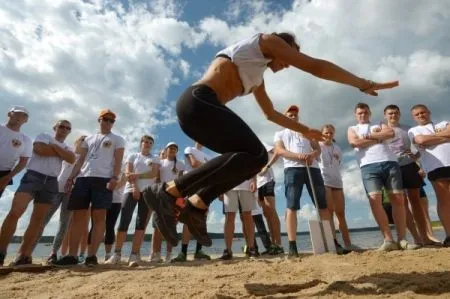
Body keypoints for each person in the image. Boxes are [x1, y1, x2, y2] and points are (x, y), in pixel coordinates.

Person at [143, 32, 398, 247]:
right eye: (290, 55)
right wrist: (361, 83)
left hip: (198, 114)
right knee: (257, 154)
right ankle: (169, 191)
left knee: (251, 161)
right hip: (198, 102)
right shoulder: (266, 41)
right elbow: (315, 67)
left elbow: (270, 113)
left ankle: (197, 205)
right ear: (283, 46)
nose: (288, 63)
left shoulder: (256, 75)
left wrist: (305, 129)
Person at [55, 109, 125, 266]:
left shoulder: (118, 139)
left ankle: (91, 256)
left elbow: (119, 160)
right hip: (83, 179)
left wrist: (115, 177)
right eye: (105, 119)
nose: (108, 122)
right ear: (99, 120)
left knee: (99, 218)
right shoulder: (89, 139)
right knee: (78, 218)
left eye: (111, 121)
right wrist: (71, 177)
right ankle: (72, 256)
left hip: (103, 180)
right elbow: (80, 161)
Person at [0, 120, 75, 266]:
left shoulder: (67, 146)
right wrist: (60, 152)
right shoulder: (44, 135)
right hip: (34, 176)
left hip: (52, 181)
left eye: (68, 128)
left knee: (38, 219)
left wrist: (53, 148)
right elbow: (40, 150)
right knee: (16, 212)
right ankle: (1, 252)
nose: (64, 129)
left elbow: (71, 159)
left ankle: (23, 255)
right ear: (55, 127)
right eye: (61, 126)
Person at [347, 103, 417, 251]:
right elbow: (354, 142)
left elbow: (390, 134)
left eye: (365, 112)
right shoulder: (352, 129)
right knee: (375, 200)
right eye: (359, 113)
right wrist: (378, 138)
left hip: (390, 163)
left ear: (370, 113)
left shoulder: (380, 123)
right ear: (356, 115)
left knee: (398, 199)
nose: (363, 115)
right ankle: (388, 239)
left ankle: (402, 239)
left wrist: (368, 137)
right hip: (368, 166)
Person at [275, 105, 337, 257]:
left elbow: (317, 148)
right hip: (292, 169)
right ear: (285, 117)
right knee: (292, 205)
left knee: (322, 205)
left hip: (313, 169)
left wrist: (312, 155)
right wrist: (298, 156)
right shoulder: (280, 133)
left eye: (295, 114)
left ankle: (332, 241)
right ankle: (292, 245)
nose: (293, 116)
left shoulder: (307, 131)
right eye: (290, 115)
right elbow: (280, 151)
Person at [30, 135, 86, 264]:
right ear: (76, 142)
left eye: (86, 142)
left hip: (71, 193)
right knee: (42, 220)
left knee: (63, 224)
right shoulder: (68, 154)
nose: (84, 144)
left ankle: (53, 253)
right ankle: (29, 251)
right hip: (56, 190)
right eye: (82, 141)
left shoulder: (86, 160)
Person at [383, 104, 434, 246]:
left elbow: (418, 149)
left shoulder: (408, 129)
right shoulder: (381, 130)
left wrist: (419, 162)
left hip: (410, 166)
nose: (393, 115)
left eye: (396, 113)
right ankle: (415, 238)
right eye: (390, 113)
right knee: (401, 203)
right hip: (392, 168)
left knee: (416, 202)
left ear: (399, 114)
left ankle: (425, 237)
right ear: (385, 116)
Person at [106, 135, 159, 266]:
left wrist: (138, 175)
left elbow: (154, 174)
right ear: (140, 143)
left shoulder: (155, 158)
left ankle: (134, 255)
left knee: (141, 223)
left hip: (147, 192)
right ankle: (117, 254)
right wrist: (135, 187)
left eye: (150, 143)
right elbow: (128, 174)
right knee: (124, 220)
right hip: (130, 191)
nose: (147, 144)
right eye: (145, 142)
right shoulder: (133, 156)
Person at [408, 104, 450, 246]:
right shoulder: (413, 130)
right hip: (435, 166)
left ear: (428, 112)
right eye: (417, 114)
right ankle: (449, 234)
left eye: (423, 113)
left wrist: (431, 138)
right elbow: (420, 140)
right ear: (414, 117)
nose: (421, 116)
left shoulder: (443, 123)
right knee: (444, 200)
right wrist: (445, 138)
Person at [171, 142, 212, 262]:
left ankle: (198, 251)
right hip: (192, 186)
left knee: (201, 219)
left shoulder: (207, 156)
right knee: (188, 218)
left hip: (204, 188)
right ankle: (183, 253)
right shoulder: (189, 149)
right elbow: (194, 164)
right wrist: (209, 167)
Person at [318, 124, 354, 251]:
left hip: (337, 181)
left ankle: (348, 243)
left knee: (340, 213)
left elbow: (340, 164)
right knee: (330, 211)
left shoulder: (337, 147)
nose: (328, 135)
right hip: (325, 181)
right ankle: (334, 243)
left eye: (331, 133)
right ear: (322, 133)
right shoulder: (318, 145)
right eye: (326, 133)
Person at [150, 142, 185, 263]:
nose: (173, 150)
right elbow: (157, 178)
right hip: (160, 196)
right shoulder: (160, 162)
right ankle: (155, 254)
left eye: (175, 148)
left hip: (174, 198)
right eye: (171, 148)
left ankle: (169, 255)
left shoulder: (180, 164)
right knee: (157, 227)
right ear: (166, 149)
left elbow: (180, 181)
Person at [220, 179, 257, 260]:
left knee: (247, 215)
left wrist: (254, 180)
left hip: (246, 184)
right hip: (228, 186)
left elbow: (253, 166)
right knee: (229, 216)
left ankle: (251, 248)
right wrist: (220, 187)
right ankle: (228, 250)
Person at [256, 142, 283, 255]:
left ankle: (278, 244)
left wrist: (267, 166)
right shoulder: (248, 150)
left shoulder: (261, 144)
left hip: (267, 180)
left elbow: (276, 152)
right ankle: (273, 244)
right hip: (257, 184)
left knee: (271, 210)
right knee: (266, 214)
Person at [0, 106, 32, 199]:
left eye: (24, 116)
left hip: (4, 174)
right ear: (9, 114)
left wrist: (8, 177)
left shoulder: (26, 140)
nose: (20, 117)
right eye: (17, 113)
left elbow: (23, 162)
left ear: (26, 120)